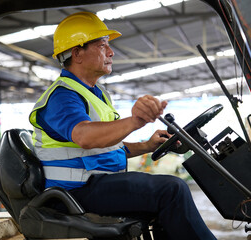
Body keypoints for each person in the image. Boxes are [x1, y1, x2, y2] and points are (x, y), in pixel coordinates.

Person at [29, 12, 216, 240]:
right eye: (102, 46)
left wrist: (147, 145)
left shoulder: (97, 94)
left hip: (94, 184)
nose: (111, 52)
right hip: (73, 192)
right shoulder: (63, 96)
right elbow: (85, 137)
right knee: (172, 190)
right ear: (77, 53)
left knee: (166, 207)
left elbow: (106, 146)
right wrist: (135, 121)